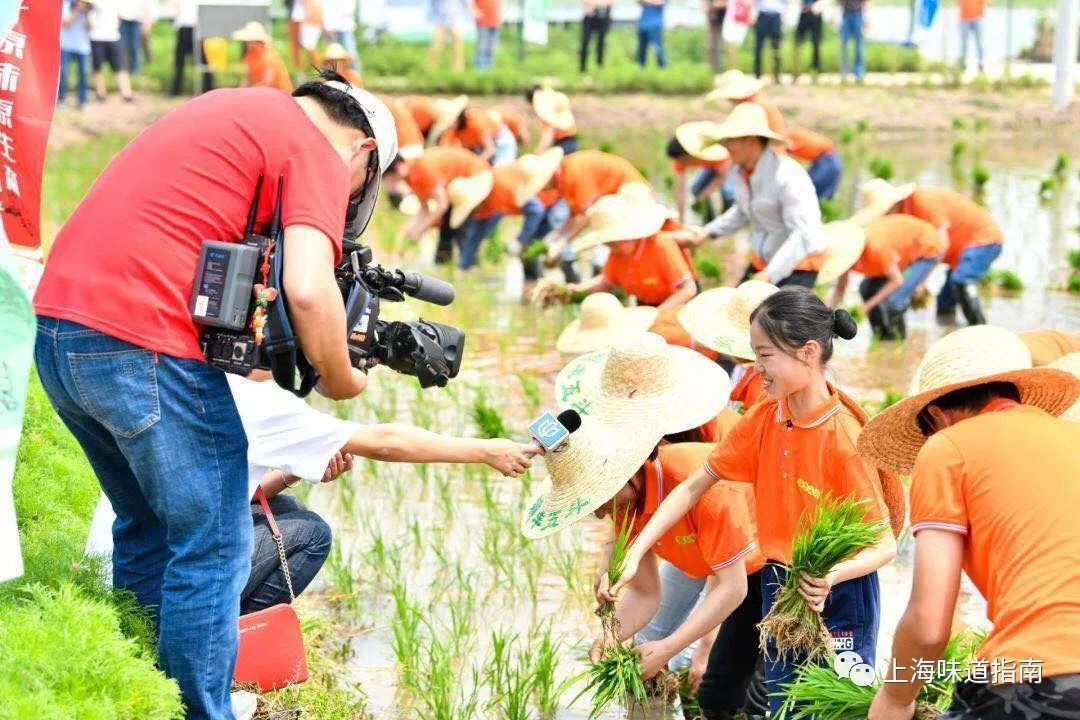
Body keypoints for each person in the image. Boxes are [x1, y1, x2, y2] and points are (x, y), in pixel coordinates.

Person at [32, 71, 398, 720]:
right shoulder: (314, 148)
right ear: (362, 156)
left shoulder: (232, 113)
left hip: (60, 338)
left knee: (145, 526)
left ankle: (143, 691)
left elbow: (223, 305)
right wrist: (346, 378)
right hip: (138, 344)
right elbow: (310, 289)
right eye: (357, 196)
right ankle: (203, 712)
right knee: (216, 542)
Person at [604, 288, 906, 718]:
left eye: (765, 356)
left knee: (830, 710)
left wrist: (832, 575)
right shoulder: (768, 417)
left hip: (838, 592)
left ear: (808, 352)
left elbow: (884, 544)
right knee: (783, 708)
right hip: (778, 582)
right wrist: (635, 552)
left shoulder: (843, 438)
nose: (756, 368)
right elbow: (695, 485)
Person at [86, 371, 538, 614]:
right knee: (309, 533)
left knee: (282, 506)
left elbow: (219, 488)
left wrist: (296, 471)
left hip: (122, 555)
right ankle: (219, 636)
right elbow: (385, 441)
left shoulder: (201, 373)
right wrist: (484, 450)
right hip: (160, 580)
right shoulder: (266, 403)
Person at [858, 325, 1080, 720]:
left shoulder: (949, 446)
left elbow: (929, 625)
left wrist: (895, 697)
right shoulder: (1071, 436)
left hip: (1042, 672)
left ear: (937, 416)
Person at [690, 103, 824, 288]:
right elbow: (742, 211)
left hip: (798, 264)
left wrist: (769, 275)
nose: (725, 146)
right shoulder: (740, 172)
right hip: (765, 260)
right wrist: (706, 232)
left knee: (771, 316)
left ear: (751, 140)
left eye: (731, 140)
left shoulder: (787, 176)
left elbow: (801, 234)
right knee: (735, 309)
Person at [852, 178, 1004, 326]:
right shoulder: (901, 216)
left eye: (883, 211)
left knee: (961, 281)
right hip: (955, 254)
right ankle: (950, 337)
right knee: (944, 305)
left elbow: (942, 243)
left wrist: (921, 282)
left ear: (893, 202)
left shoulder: (922, 201)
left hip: (983, 239)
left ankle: (981, 330)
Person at [567, 185, 699, 312]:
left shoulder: (660, 244)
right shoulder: (617, 253)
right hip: (645, 307)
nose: (611, 247)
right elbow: (606, 282)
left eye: (613, 242)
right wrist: (576, 290)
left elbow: (688, 289)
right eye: (607, 243)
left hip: (678, 308)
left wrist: (656, 315)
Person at [446, 148, 567, 277]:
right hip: (539, 211)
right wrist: (463, 267)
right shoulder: (483, 204)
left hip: (551, 203)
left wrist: (520, 240)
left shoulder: (504, 187)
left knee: (532, 252)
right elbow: (476, 234)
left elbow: (536, 210)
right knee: (527, 254)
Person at [829, 215, 944, 340]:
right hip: (903, 250)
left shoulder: (875, 248)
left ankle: (897, 343)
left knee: (895, 300)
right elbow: (840, 289)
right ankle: (882, 337)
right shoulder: (847, 255)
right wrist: (828, 316)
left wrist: (866, 307)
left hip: (928, 247)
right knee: (867, 289)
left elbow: (897, 281)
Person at [383, 146, 493, 264]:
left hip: (476, 178)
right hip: (455, 190)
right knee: (447, 227)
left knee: (459, 226)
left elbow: (442, 204)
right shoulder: (409, 177)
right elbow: (424, 208)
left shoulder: (421, 169)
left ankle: (467, 266)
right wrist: (411, 231)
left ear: (399, 167)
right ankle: (447, 264)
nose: (392, 184)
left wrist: (421, 230)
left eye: (391, 178)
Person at [667, 122, 732, 224]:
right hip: (711, 167)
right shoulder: (680, 160)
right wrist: (681, 220)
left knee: (728, 194)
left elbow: (722, 176)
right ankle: (709, 221)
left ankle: (727, 222)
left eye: (683, 160)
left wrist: (705, 194)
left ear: (688, 155)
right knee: (696, 189)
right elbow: (680, 190)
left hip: (729, 165)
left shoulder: (716, 154)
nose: (681, 163)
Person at [436, 101, 518, 166]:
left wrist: (474, 165)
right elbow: (445, 149)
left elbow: (490, 149)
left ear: (458, 118)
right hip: (478, 146)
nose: (448, 125)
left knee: (500, 170)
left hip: (500, 141)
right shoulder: (453, 129)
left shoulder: (475, 124)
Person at [89, 0, 134, 101]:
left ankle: (126, 93)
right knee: (97, 67)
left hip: (113, 36)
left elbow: (123, 14)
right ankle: (101, 94)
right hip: (96, 36)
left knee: (120, 66)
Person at [170, 0, 216, 96]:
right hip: (187, 26)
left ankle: (209, 87)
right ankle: (176, 89)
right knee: (181, 61)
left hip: (194, 26)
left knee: (200, 59)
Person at [232, 22, 293, 94]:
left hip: (279, 94)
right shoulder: (250, 55)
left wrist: (249, 91)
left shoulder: (269, 56)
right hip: (263, 92)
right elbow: (248, 79)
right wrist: (238, 92)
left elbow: (267, 83)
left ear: (255, 41)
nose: (245, 43)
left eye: (248, 41)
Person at [785, 125, 841, 200]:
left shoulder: (788, 135)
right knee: (817, 191)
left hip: (828, 158)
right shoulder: (794, 131)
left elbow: (784, 150)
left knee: (809, 188)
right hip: (829, 158)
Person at [59, 0, 93, 110]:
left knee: (84, 73)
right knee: (64, 72)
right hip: (66, 45)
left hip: (83, 47)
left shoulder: (90, 8)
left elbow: (90, 28)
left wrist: (86, 13)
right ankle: (62, 99)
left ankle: (82, 100)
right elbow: (65, 24)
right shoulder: (66, 5)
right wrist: (75, 11)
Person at [528, 86, 579, 155]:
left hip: (563, 143)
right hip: (571, 140)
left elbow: (548, 135)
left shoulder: (547, 113)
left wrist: (537, 152)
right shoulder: (555, 106)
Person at [427, 0, 466, 72]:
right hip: (440, 21)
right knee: (435, 46)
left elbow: (465, 3)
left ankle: (458, 71)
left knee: (457, 47)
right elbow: (432, 3)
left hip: (455, 20)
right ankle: (430, 70)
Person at [323, 0, 362, 72]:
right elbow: (326, 5)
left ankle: (356, 79)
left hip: (345, 26)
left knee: (350, 55)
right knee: (333, 57)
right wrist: (327, 24)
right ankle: (333, 80)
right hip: (332, 27)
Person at [118, 0, 152, 76]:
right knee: (122, 47)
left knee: (135, 47)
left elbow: (146, 5)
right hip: (123, 19)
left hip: (137, 20)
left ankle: (134, 71)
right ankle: (124, 70)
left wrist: (146, 22)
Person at [753, 0, 784, 82]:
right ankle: (757, 74)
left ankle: (776, 75)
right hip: (762, 15)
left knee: (777, 47)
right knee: (758, 47)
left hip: (776, 17)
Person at [840, 0, 869, 84]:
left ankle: (859, 75)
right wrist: (835, 15)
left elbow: (867, 2)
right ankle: (844, 74)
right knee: (844, 46)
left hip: (858, 15)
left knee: (859, 47)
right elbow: (838, 3)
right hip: (845, 15)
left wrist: (867, 18)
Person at [580, 0, 613, 73]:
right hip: (589, 17)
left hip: (603, 17)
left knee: (601, 44)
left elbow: (610, 2)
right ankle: (582, 70)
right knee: (584, 43)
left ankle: (599, 68)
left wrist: (595, 4)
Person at [793, 0, 823, 79]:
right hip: (804, 13)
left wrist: (814, 6)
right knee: (798, 43)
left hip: (816, 13)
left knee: (816, 45)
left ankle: (815, 72)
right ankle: (796, 72)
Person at [637, 0, 667, 68]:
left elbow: (660, 3)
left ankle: (663, 67)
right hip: (643, 24)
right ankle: (641, 69)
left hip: (655, 24)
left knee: (658, 48)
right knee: (641, 49)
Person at [473, 0, 502, 69]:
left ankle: (488, 68)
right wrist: (476, 12)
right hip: (483, 22)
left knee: (492, 47)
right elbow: (470, 3)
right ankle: (480, 68)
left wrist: (500, 16)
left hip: (495, 22)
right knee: (482, 46)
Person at [958, 0, 985, 73]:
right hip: (964, 17)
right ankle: (962, 63)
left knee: (980, 42)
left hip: (978, 16)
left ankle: (981, 63)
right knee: (964, 43)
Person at [704, 0, 728, 74]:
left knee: (725, 43)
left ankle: (724, 69)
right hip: (714, 13)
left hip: (726, 13)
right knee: (713, 44)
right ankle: (713, 69)